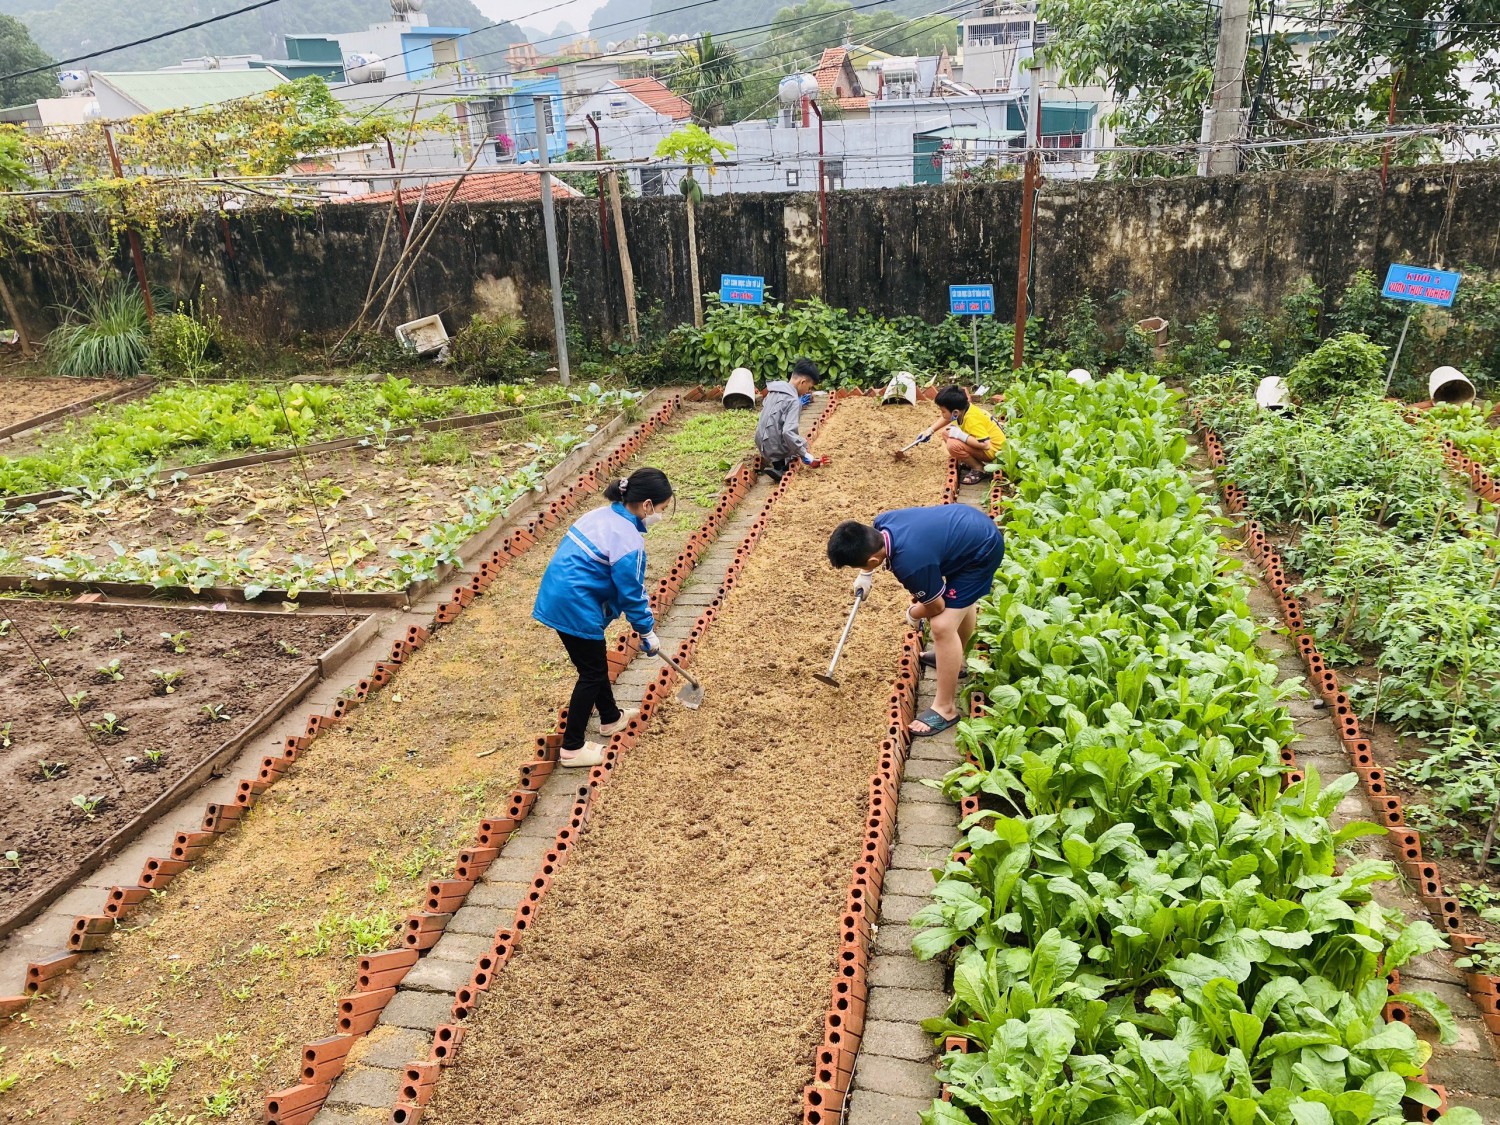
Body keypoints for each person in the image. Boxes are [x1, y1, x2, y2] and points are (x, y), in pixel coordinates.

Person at [532, 468, 671, 767]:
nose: (658, 516)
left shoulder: (601, 515)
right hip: (574, 604)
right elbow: (631, 592)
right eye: (660, 509)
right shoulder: (628, 539)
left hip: (561, 594)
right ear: (646, 505)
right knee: (591, 673)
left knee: (594, 664)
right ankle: (572, 748)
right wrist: (646, 631)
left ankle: (610, 718)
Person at [827, 504, 1004, 737]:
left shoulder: (910, 564)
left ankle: (946, 708)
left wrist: (913, 613)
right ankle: (954, 662)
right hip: (967, 525)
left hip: (982, 550)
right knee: (959, 602)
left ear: (872, 560)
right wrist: (865, 576)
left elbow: (936, 605)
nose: (858, 569)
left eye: (857, 566)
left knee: (941, 626)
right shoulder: (883, 522)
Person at [756, 357, 829, 482]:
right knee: (801, 443)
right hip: (774, 448)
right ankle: (780, 467)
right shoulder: (794, 401)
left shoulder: (775, 389)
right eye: (809, 387)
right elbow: (788, 432)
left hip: (761, 442)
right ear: (803, 382)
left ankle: (778, 463)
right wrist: (806, 455)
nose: (808, 391)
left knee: (791, 439)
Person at [921, 385, 1005, 486]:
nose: (942, 414)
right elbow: (947, 417)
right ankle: (971, 460)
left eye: (943, 411)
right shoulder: (964, 408)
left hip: (994, 450)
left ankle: (978, 468)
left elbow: (985, 445)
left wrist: (960, 435)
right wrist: (930, 430)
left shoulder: (972, 420)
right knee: (946, 433)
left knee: (953, 445)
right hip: (988, 445)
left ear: (955, 412)